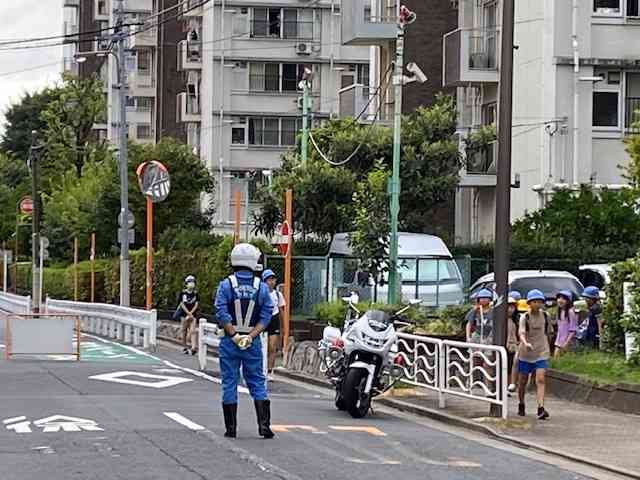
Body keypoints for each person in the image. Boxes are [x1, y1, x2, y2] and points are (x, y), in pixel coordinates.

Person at [215, 243, 275, 439]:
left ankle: (231, 428)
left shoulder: (226, 285)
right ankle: (264, 426)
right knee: (257, 381)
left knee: (229, 382)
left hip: (230, 341)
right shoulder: (262, 288)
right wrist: (250, 336)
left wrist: (234, 335)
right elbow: (266, 317)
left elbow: (221, 312)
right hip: (252, 340)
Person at [517, 289, 551, 420]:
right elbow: (521, 333)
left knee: (540, 379)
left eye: (540, 302)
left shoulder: (546, 316)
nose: (537, 304)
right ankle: (521, 403)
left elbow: (548, 332)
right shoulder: (524, 317)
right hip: (526, 353)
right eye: (534, 302)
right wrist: (525, 343)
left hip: (541, 351)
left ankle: (541, 408)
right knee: (523, 381)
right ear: (529, 303)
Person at [262, 269, 285, 381]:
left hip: (274, 320)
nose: (271, 282)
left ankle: (270, 370)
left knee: (272, 347)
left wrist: (283, 327)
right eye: (269, 280)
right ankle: (261, 369)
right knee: (263, 347)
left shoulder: (278, 294)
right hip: (262, 320)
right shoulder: (260, 293)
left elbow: (281, 310)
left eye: (273, 279)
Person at [176, 275, 199, 355]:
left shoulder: (195, 294)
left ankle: (193, 347)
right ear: (186, 284)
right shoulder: (183, 293)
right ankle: (184, 346)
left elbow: (196, 304)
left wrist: (191, 314)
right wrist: (188, 313)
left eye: (193, 282)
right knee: (184, 330)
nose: (191, 284)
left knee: (193, 330)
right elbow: (182, 304)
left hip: (193, 315)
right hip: (184, 314)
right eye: (190, 282)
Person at [554, 290, 578, 358]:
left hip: (567, 341)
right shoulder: (560, 311)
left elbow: (573, 330)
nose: (560, 300)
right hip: (559, 341)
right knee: (556, 359)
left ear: (568, 301)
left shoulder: (570, 312)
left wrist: (566, 343)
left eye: (563, 299)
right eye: (559, 298)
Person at [506, 293, 521, 394]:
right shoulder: (501, 320)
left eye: (512, 307)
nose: (510, 309)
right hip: (504, 346)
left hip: (513, 346)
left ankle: (509, 385)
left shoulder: (515, 320)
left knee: (511, 366)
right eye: (508, 307)